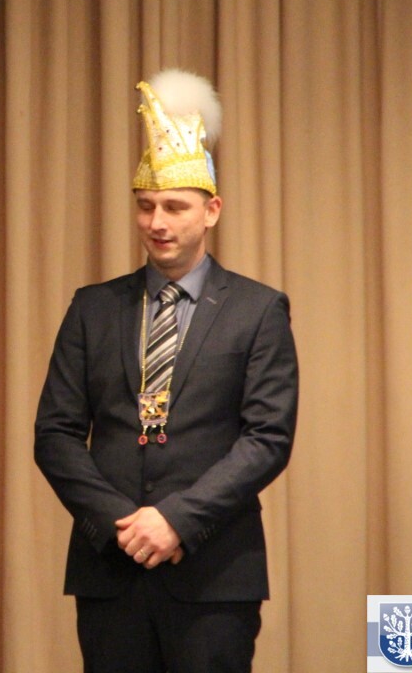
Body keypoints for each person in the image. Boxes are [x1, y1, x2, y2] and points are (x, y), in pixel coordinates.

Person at [34, 70, 298, 673]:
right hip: (111, 569)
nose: (158, 223)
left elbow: (267, 439)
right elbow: (55, 434)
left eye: (175, 207)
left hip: (214, 574)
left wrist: (176, 520)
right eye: (146, 206)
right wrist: (121, 526)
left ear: (211, 211)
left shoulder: (258, 310)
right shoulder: (93, 308)